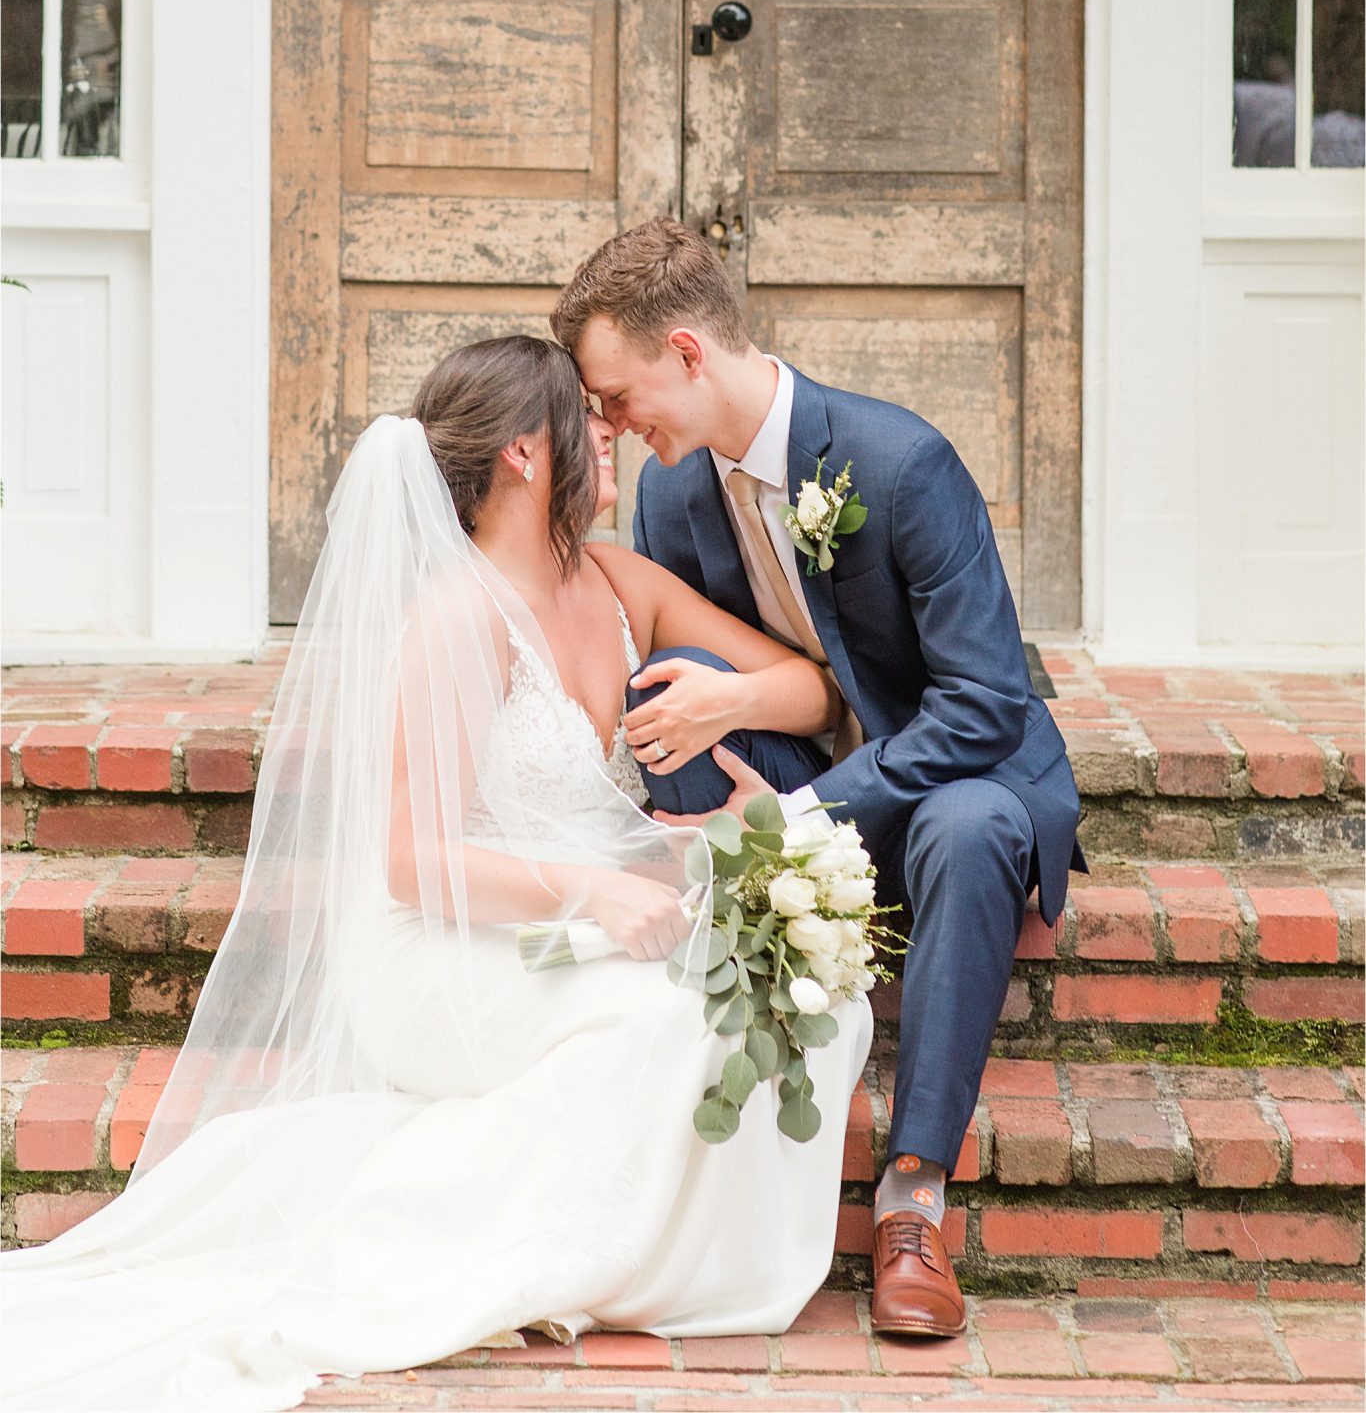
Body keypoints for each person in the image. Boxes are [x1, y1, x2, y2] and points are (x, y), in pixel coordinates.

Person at [2, 337, 872, 1412]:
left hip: (563, 924)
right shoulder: (458, 615)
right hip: (439, 949)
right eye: (588, 428)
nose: (613, 441)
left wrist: (719, 750)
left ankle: (654, 1256)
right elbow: (415, 864)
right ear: (522, 451)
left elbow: (813, 688)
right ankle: (497, 1246)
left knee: (803, 997)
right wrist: (596, 890)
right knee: (653, 1025)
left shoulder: (615, 582)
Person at [553, 219, 1087, 1339]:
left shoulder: (900, 462)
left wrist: (795, 811)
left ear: (687, 352)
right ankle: (716, 1083)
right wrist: (730, 711)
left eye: (612, 395)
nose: (606, 425)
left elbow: (983, 703)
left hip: (953, 774)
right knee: (681, 677)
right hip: (806, 763)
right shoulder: (673, 497)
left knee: (973, 828)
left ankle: (912, 1198)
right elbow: (752, 678)